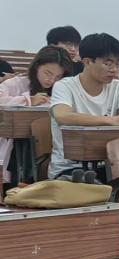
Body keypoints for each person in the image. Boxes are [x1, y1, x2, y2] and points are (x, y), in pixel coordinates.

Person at [49, 33, 119, 179]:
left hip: (110, 165)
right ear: (88, 62)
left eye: (118, 64)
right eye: (108, 64)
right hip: (70, 167)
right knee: (89, 185)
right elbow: (62, 116)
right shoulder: (64, 86)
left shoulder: (118, 87)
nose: (114, 69)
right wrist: (110, 120)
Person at [0, 46, 74, 183]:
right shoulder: (16, 83)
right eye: (47, 73)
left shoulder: (62, 89)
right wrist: (28, 100)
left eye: (58, 77)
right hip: (16, 145)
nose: (51, 80)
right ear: (36, 66)